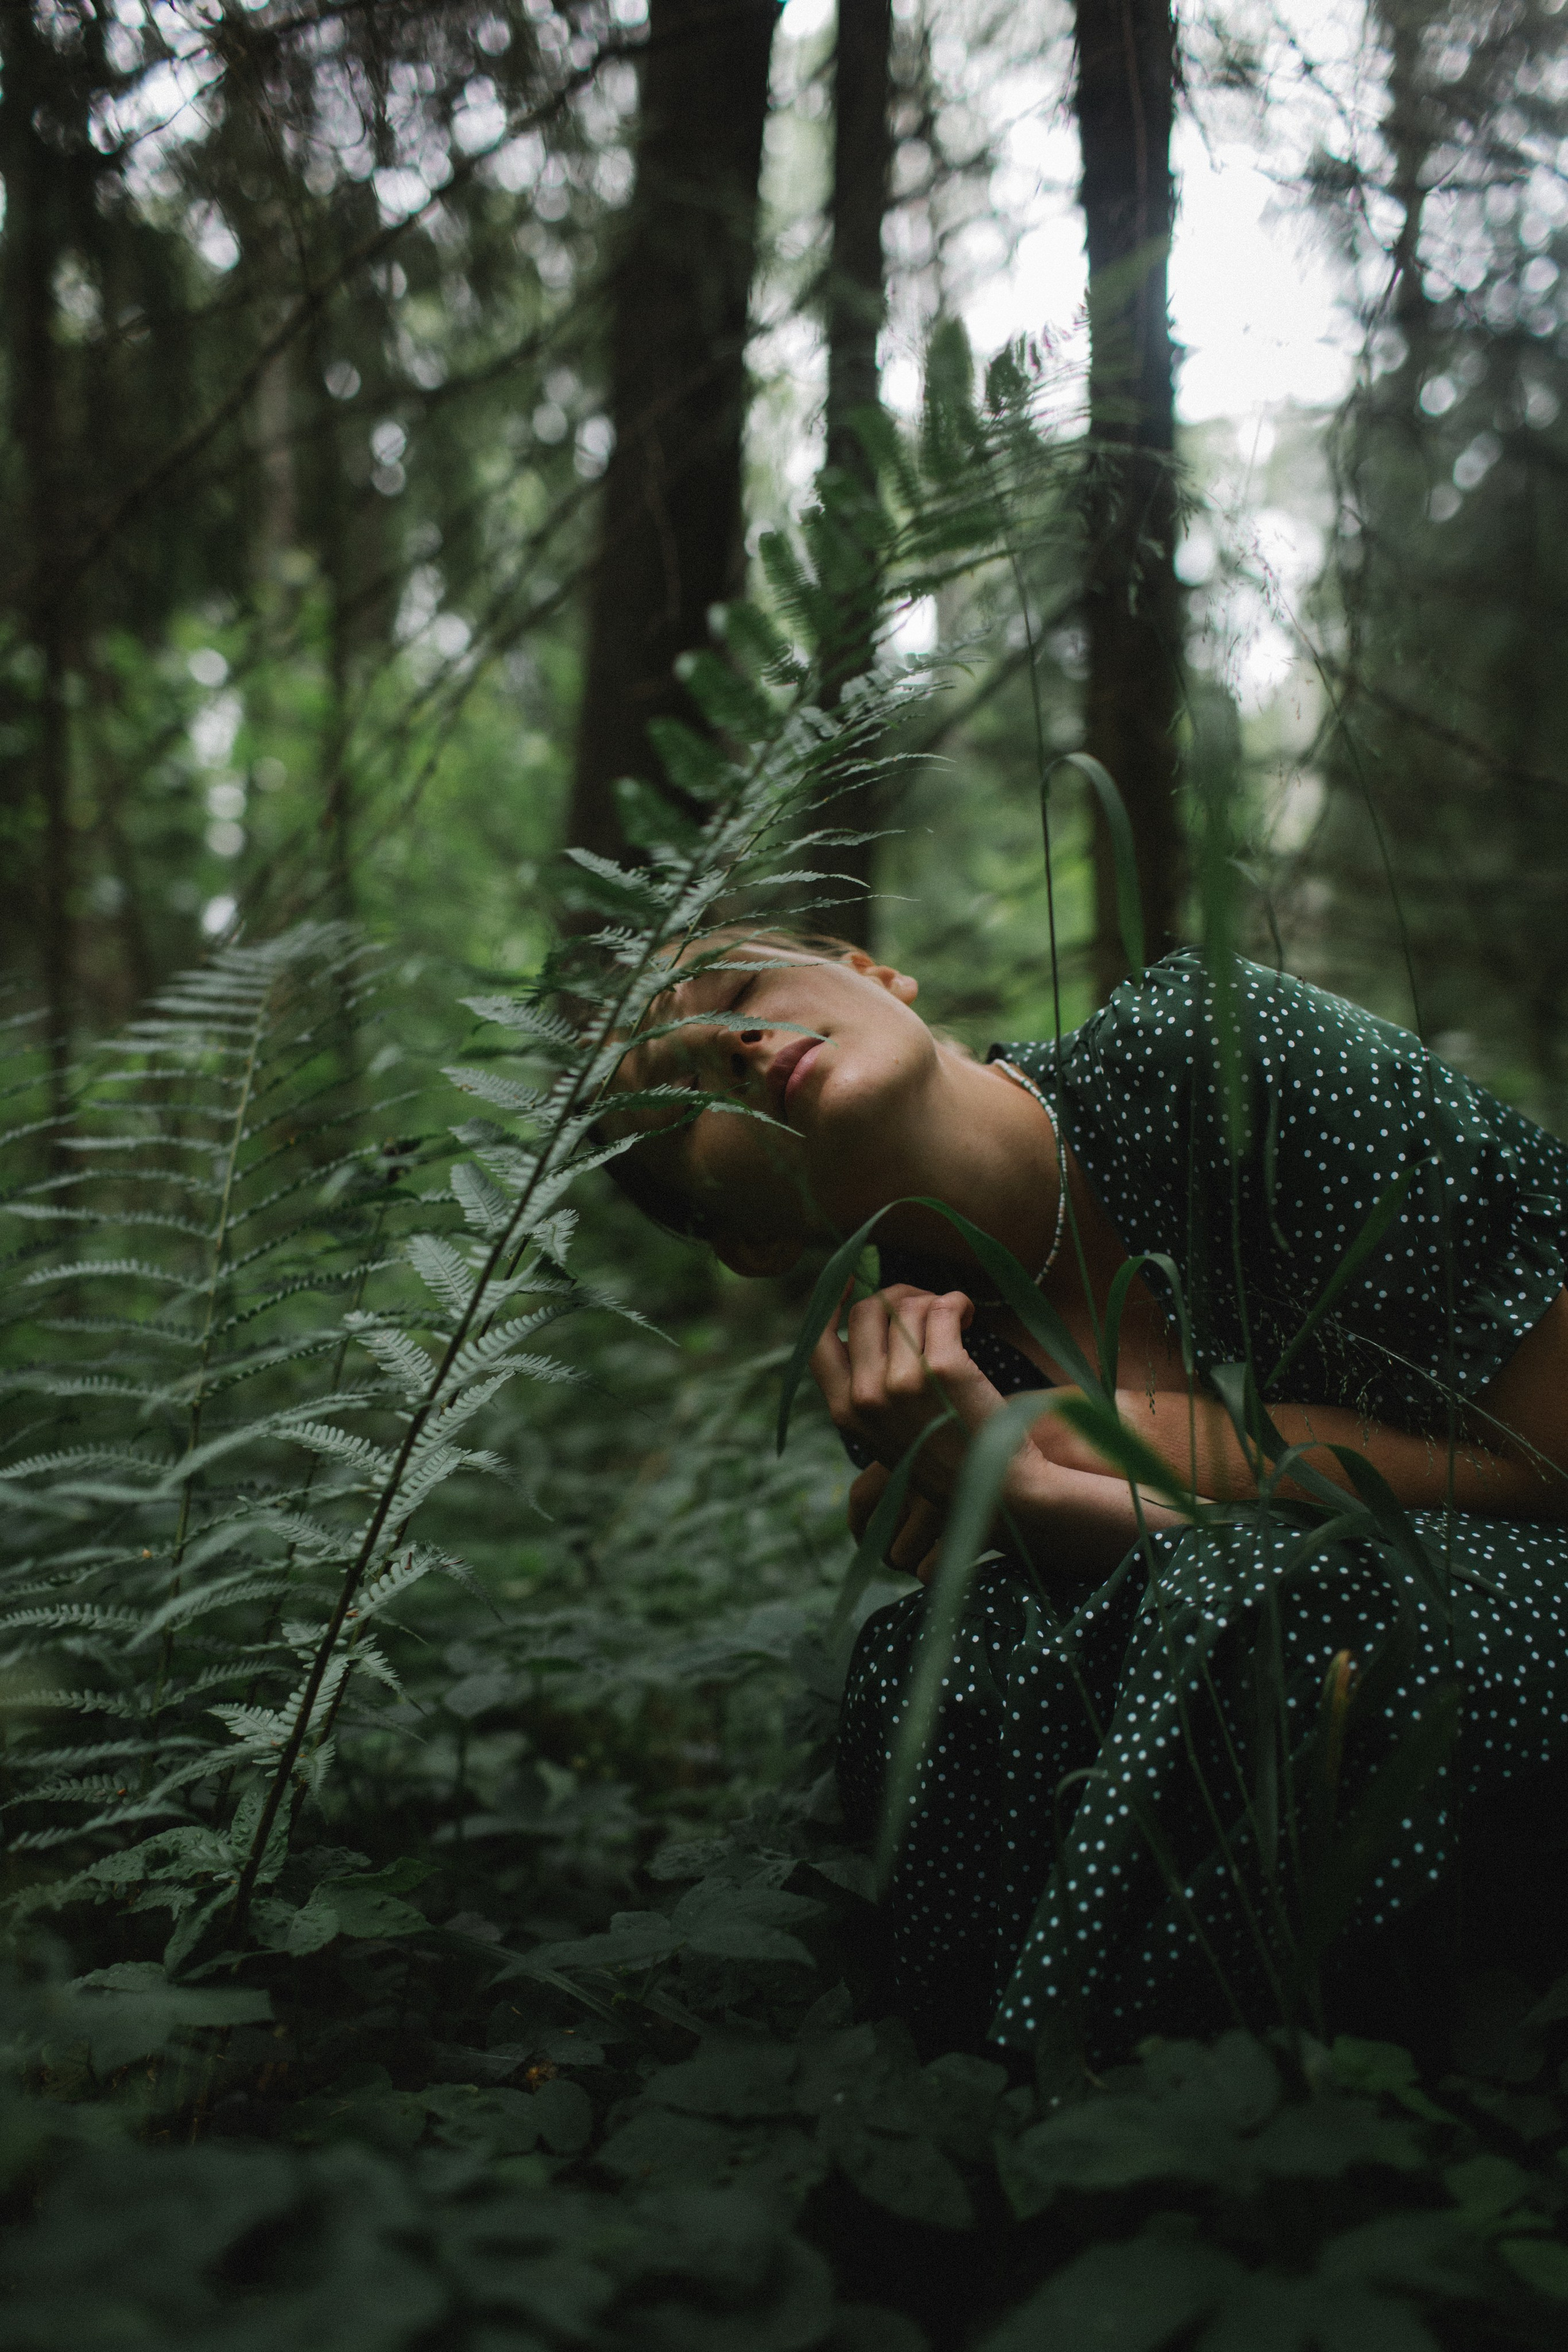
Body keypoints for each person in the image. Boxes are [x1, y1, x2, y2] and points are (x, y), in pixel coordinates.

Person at [603, 930, 1568, 2059]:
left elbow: (1544, 1461)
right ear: (752, 1243)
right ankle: (1147, 2129)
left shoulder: (1210, 1053)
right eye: (680, 1099)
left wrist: (1072, 1434)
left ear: (869, 970)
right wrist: (1037, 1499)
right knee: (941, 1672)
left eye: (740, 991)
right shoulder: (935, 1371)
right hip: (1410, 1656)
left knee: (1277, 1616)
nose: (729, 1043)